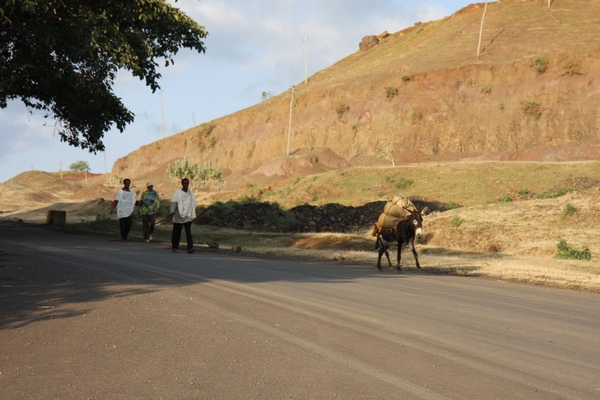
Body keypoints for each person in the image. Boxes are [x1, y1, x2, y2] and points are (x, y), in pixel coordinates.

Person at [170, 178, 196, 254]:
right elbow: (173, 202)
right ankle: (175, 247)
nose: (186, 185)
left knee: (188, 232)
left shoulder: (190, 193)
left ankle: (190, 248)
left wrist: (193, 214)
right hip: (178, 214)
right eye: (184, 183)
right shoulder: (178, 193)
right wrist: (172, 211)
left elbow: (193, 203)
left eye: (187, 183)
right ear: (182, 184)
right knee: (176, 232)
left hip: (187, 215)